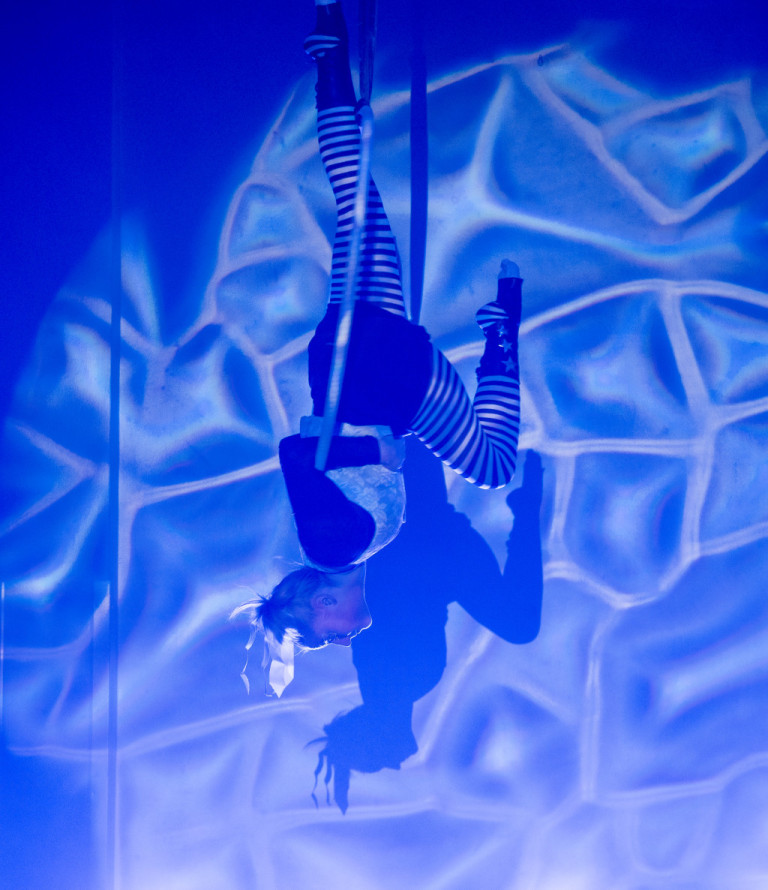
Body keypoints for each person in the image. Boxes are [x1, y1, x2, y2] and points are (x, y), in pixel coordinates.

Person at [235, 0, 524, 691]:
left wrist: (381, 455)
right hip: (351, 362)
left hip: (388, 381)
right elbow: (308, 454)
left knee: (492, 467)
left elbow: (296, 453)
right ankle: (328, 57)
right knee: (357, 204)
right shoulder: (346, 549)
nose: (349, 638)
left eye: (330, 637)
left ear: (322, 605)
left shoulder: (334, 546)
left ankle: (501, 336)